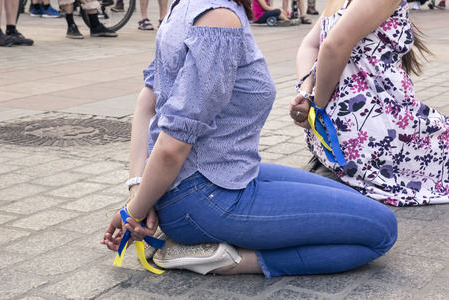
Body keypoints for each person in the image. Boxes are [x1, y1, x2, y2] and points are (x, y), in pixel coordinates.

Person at [102, 0, 397, 278]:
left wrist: (137, 190)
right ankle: (231, 262)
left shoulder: (186, 5)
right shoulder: (218, 20)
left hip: (221, 177)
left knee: (357, 204)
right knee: (381, 230)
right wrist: (135, 211)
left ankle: (206, 238)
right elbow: (171, 147)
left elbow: (147, 102)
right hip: (206, 197)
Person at [290, 0, 449, 206]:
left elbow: (310, 45)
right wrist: (317, 109)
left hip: (331, 137)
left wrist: (307, 95)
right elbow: (332, 46)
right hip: (374, 131)